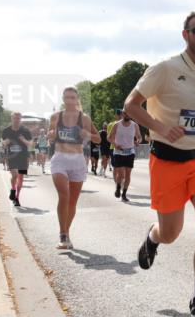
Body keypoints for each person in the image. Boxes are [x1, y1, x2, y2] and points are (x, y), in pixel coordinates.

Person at [123, 9, 195, 317]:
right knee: (171, 232)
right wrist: (159, 126)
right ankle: (154, 238)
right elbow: (131, 106)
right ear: (185, 34)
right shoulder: (165, 69)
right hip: (168, 160)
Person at [48, 88, 99, 247]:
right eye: (67, 97)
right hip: (60, 159)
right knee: (64, 195)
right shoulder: (56, 117)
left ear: (77, 99)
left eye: (72, 97)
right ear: (63, 99)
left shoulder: (84, 118)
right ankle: (62, 235)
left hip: (77, 160)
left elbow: (98, 139)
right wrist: (50, 135)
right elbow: (50, 135)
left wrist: (88, 134)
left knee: (72, 202)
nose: (70, 100)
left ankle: (66, 232)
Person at [1, 113, 33, 207]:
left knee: (21, 178)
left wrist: (23, 140)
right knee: (14, 175)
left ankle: (17, 198)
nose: (16, 120)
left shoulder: (25, 131)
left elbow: (30, 144)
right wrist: (5, 142)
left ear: (21, 119)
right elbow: (3, 143)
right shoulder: (6, 130)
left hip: (23, 157)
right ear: (11, 118)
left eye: (18, 118)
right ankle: (13, 190)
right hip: (12, 157)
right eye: (14, 118)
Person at [108, 111, 141, 202]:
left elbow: (139, 136)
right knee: (121, 174)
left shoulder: (135, 125)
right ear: (122, 115)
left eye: (129, 114)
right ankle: (118, 187)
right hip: (119, 152)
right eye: (125, 114)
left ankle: (124, 194)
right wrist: (115, 144)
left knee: (128, 174)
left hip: (130, 152)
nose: (127, 115)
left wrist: (138, 141)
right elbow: (109, 137)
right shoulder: (117, 125)